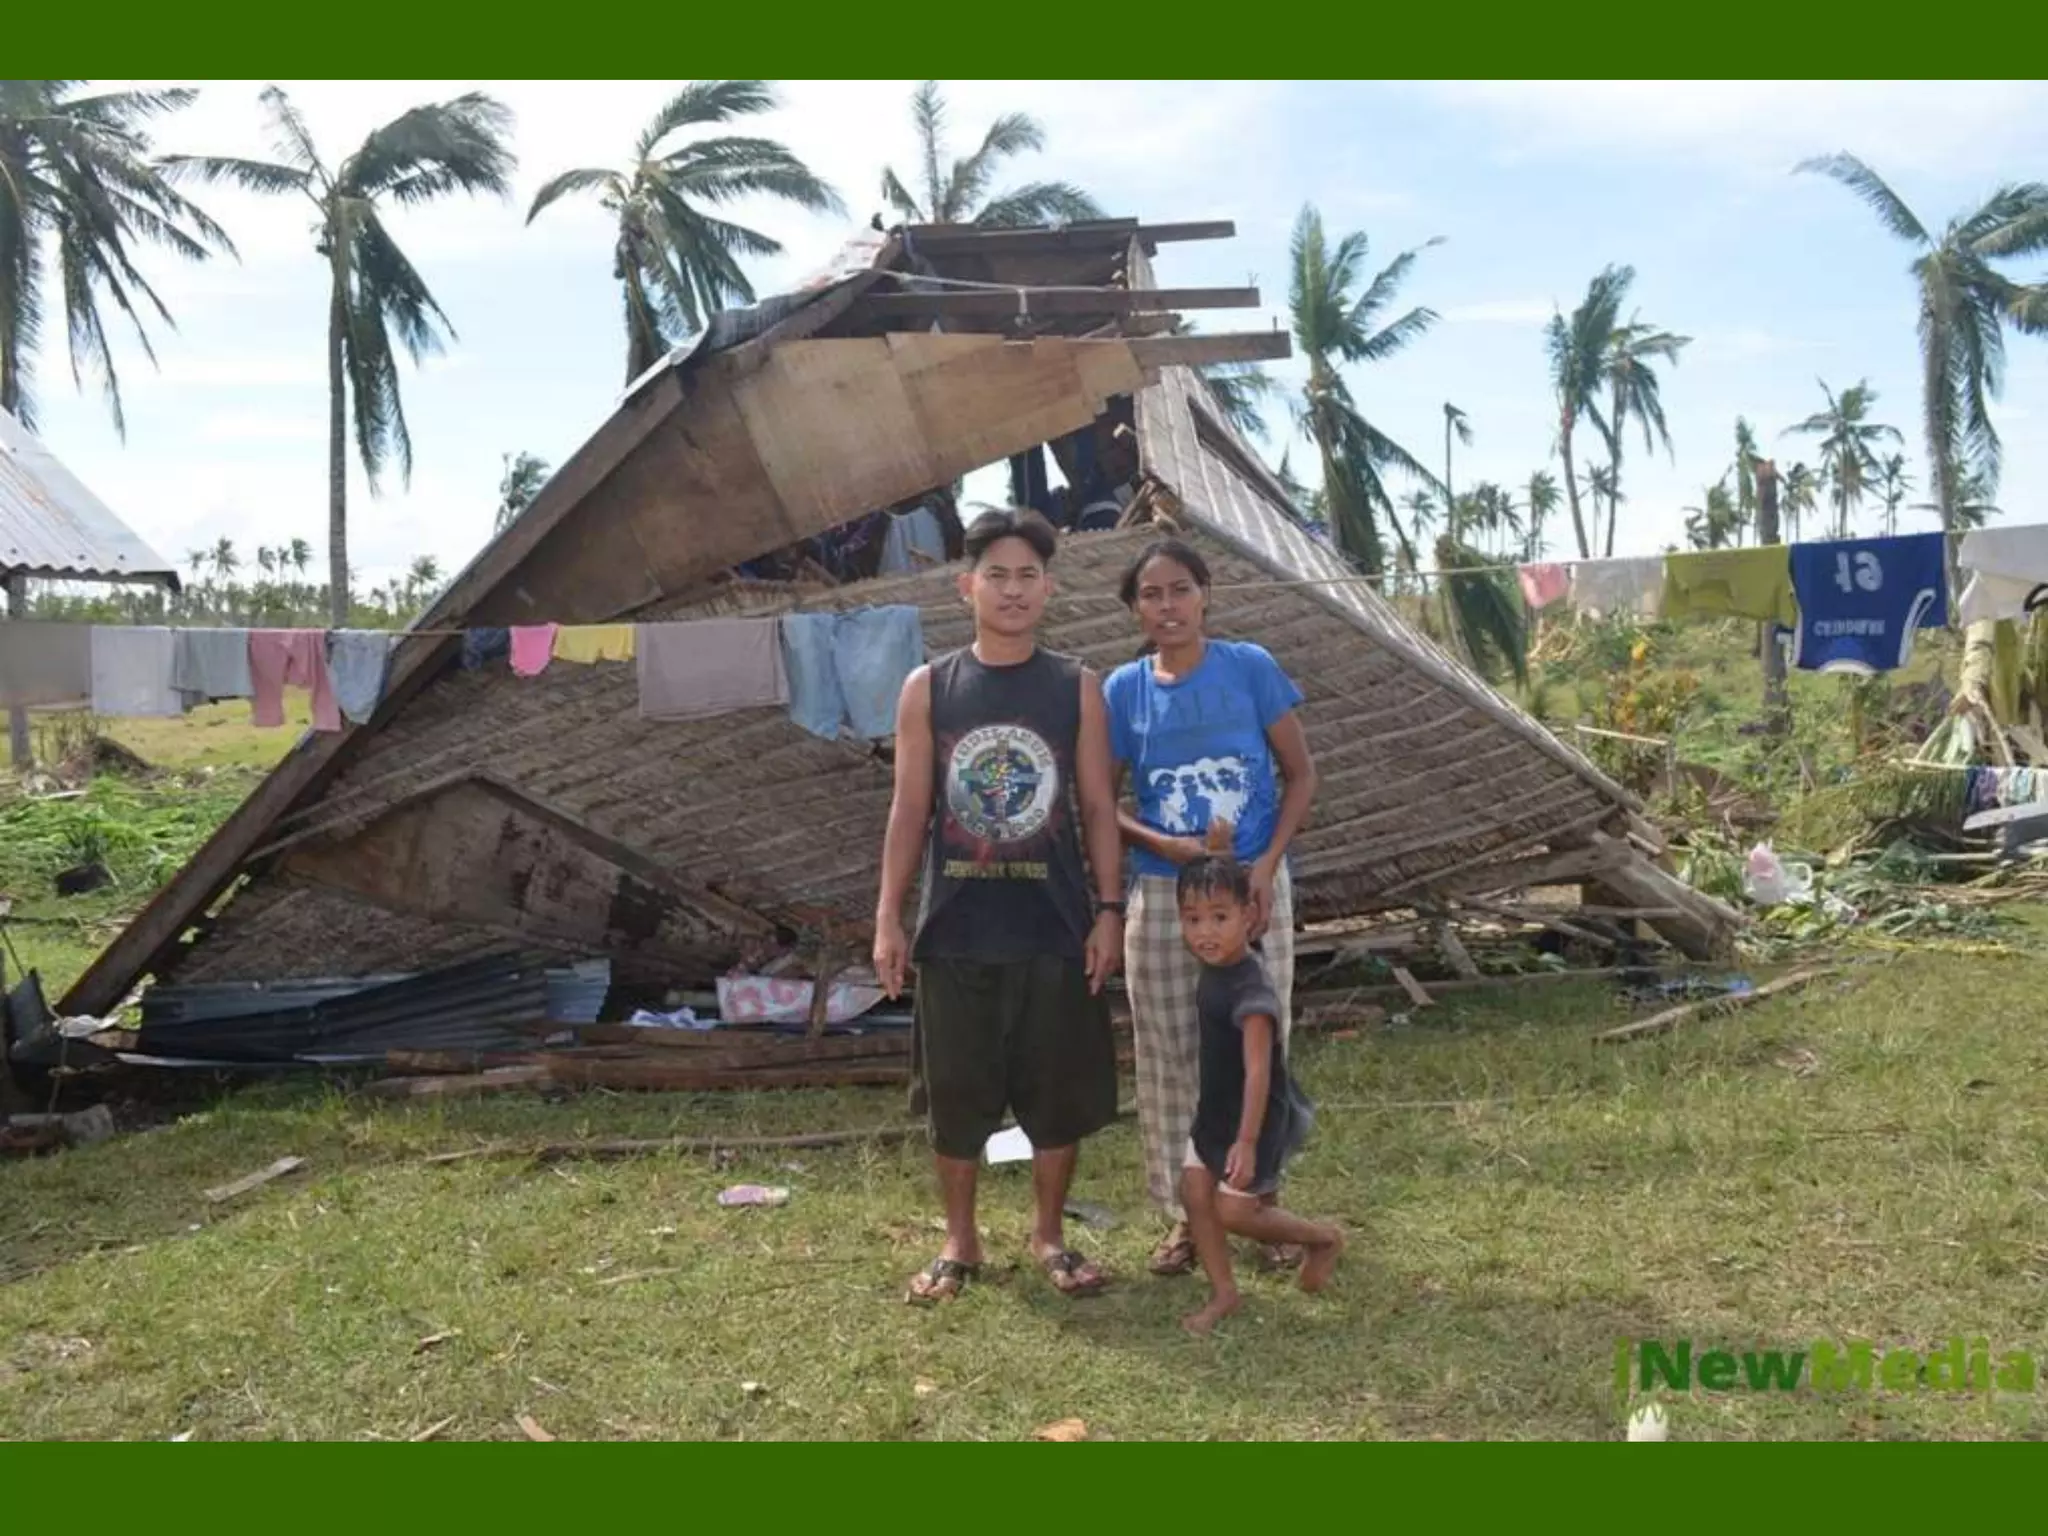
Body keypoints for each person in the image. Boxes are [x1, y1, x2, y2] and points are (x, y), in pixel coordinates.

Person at [873, 507, 1127, 1304]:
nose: (1011, 591)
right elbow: (908, 810)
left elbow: (1094, 806)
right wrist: (889, 917)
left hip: (1055, 927)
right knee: (956, 1098)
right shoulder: (929, 688)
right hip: (956, 931)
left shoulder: (1077, 687)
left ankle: (1049, 1236)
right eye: (996, 575)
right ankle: (962, 1240)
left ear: (1048, 588)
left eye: (1026, 576)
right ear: (966, 587)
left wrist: (1110, 910)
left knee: (1057, 1096)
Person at [1103, 537, 1319, 1277]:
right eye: (1152, 595)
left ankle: (1262, 1205)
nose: (1168, 606)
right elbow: (1097, 801)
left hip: (1252, 890)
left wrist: (1263, 865)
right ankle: (1187, 1219)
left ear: (1205, 595)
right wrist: (1161, 843)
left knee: (1260, 1043)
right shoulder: (1123, 691)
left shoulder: (1250, 669)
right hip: (1165, 896)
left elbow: (1300, 776)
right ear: (1136, 608)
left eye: (1181, 590)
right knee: (1168, 1054)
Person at [1174, 853, 1343, 1335]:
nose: (1206, 931)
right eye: (1193, 920)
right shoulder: (1219, 965)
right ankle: (1224, 1293)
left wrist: (1246, 1142)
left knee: (1235, 1211)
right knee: (1194, 1191)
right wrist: (1219, 844)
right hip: (1216, 1110)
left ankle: (1321, 1239)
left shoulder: (1253, 996)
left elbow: (1258, 1073)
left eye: (1220, 917)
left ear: (1249, 917)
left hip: (1255, 1117)